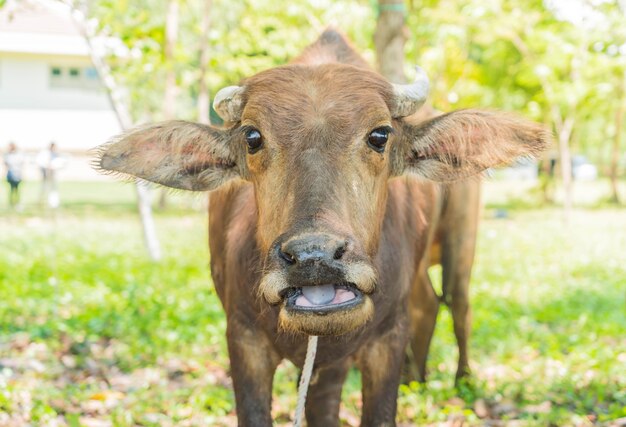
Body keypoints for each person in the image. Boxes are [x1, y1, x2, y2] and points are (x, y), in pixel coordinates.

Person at [37, 142, 65, 208]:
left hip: (53, 175)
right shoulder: (44, 154)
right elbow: (41, 163)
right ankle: (41, 202)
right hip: (46, 175)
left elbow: (59, 164)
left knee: (53, 189)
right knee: (44, 189)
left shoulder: (56, 154)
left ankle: (53, 204)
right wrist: (47, 166)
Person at [3, 142, 25, 209]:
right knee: (11, 189)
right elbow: (6, 164)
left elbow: (21, 164)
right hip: (10, 175)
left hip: (17, 175)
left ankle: (17, 203)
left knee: (17, 190)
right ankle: (11, 203)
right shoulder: (7, 155)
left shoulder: (18, 155)